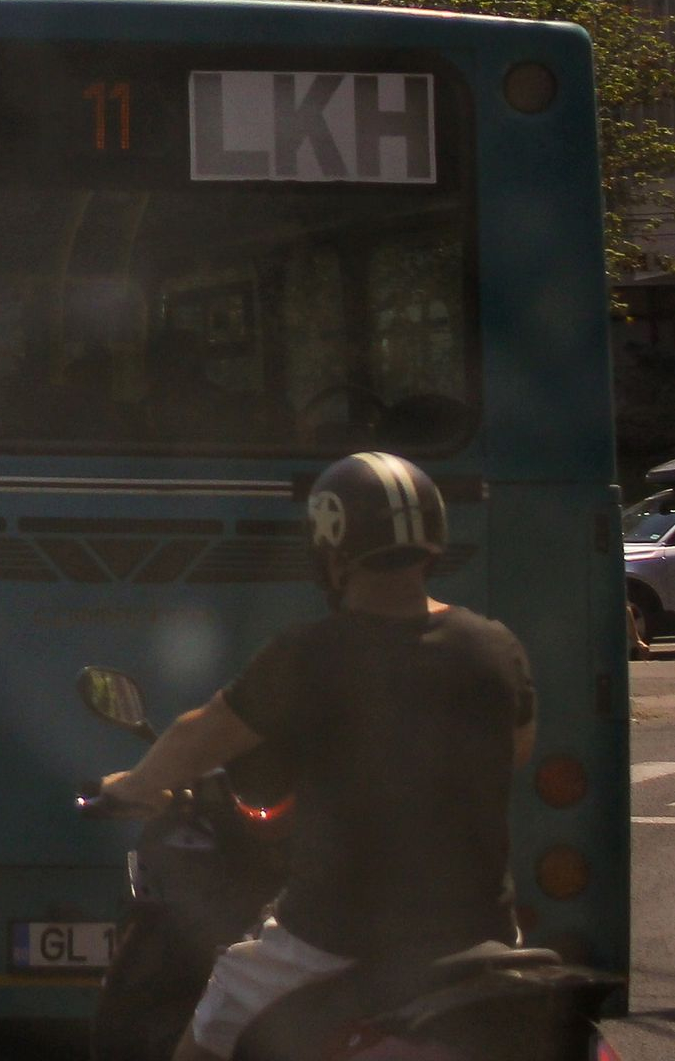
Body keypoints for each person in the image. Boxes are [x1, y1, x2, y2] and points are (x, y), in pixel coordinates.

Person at [94, 451, 534, 1061]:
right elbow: (516, 749)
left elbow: (203, 733)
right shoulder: (494, 647)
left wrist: (135, 786)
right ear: (433, 541)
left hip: (333, 937)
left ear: (332, 548)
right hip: (482, 936)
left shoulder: (309, 655)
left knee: (204, 1042)